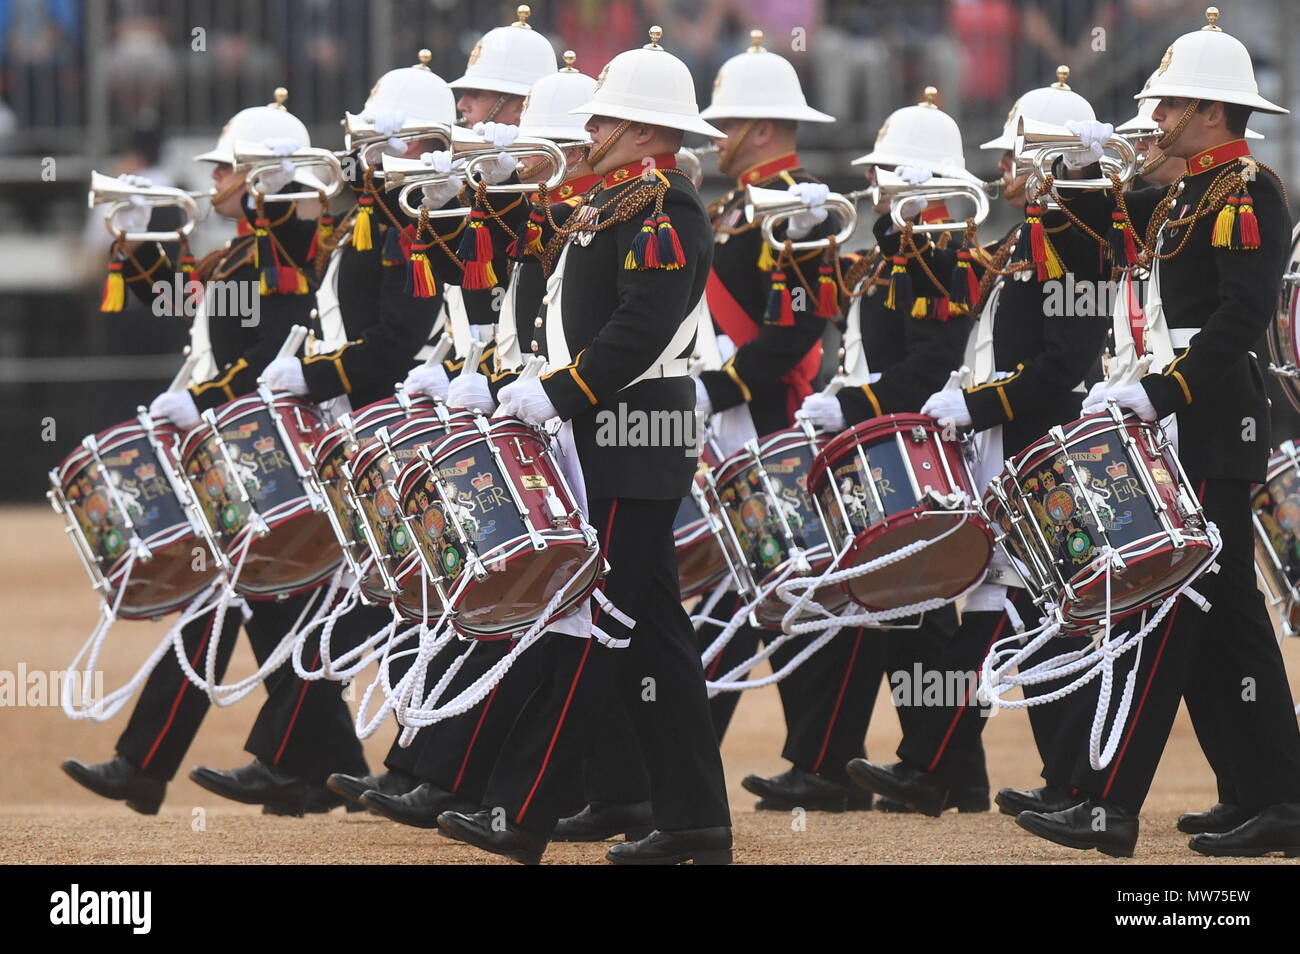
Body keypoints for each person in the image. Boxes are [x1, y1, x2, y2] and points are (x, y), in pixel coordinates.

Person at [434, 27, 734, 865]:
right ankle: (694, 821)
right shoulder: (608, 201)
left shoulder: (663, 202)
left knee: (586, 625)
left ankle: (519, 815)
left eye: (605, 120)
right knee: (653, 637)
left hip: (633, 439)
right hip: (604, 437)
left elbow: (644, 321)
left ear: (646, 132)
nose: (588, 132)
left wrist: (561, 391)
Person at [1016, 8, 1300, 858]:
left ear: (1214, 111)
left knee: (1162, 611)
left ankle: (1104, 804)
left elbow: (1241, 319)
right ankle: (1275, 797)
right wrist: (1073, 171)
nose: (1156, 118)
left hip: (1211, 418)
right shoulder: (1181, 192)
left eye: (1170, 104)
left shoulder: (1249, 189)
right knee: (1226, 626)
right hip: (1175, 417)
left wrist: (1165, 394)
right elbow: (1092, 242)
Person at [62, 90, 370, 817]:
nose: (215, 179)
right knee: (268, 611)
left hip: (262, 451)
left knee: (231, 597)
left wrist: (204, 401)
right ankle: (325, 770)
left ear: (264, 174)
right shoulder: (248, 249)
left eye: (229, 168)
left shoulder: (287, 248)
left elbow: (274, 351)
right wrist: (137, 243)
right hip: (236, 453)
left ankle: (148, 765)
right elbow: (186, 305)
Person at [843, 67, 1111, 818]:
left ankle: (1061, 783)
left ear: (1046, 158)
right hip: (1004, 448)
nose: (998, 171)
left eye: (1012, 155)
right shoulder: (1032, 235)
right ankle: (953, 771)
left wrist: (977, 402)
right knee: (1011, 616)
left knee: (1040, 622)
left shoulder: (1073, 238)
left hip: (1036, 446)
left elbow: (1063, 366)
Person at [782, 87, 989, 816]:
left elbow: (929, 366)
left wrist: (856, 405)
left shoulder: (940, 250)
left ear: (921, 180)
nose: (874, 184)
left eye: (888, 172)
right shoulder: (898, 250)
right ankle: (949, 770)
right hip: (882, 449)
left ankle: (940, 767)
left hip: (911, 448)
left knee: (921, 613)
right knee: (912, 613)